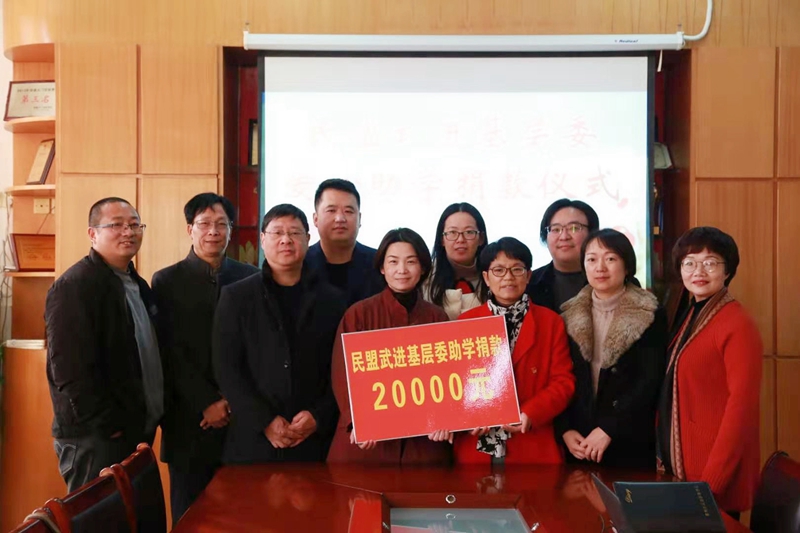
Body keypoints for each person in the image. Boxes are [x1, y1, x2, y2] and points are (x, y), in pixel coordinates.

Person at [151, 193, 258, 524]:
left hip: (240, 421)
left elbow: (255, 350)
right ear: (190, 229)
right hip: (188, 422)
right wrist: (206, 402)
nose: (213, 231)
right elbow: (168, 352)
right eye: (205, 224)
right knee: (190, 518)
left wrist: (231, 400)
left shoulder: (250, 277)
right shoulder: (166, 281)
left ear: (231, 230)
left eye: (221, 224)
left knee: (243, 517)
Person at [45, 197, 164, 492]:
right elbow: (68, 370)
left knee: (132, 513)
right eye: (116, 225)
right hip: (97, 438)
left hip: (136, 430)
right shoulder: (75, 286)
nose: (128, 232)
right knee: (98, 514)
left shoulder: (137, 283)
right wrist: (108, 426)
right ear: (92, 233)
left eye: (135, 225)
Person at [213, 204, 347, 464]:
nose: (286, 240)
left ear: (308, 239)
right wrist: (264, 421)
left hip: (314, 440)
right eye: (277, 233)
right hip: (252, 441)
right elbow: (226, 368)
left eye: (295, 233)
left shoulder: (332, 300)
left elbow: (342, 369)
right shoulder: (236, 297)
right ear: (263, 239)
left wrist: (319, 416)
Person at [657, 227, 762, 517]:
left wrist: (711, 484)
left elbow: (742, 409)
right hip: (686, 467)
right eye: (689, 262)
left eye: (710, 262)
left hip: (712, 476)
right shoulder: (692, 313)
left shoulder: (736, 323)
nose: (698, 271)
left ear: (727, 271)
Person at [328, 228, 452, 465]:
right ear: (382, 267)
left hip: (424, 443)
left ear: (423, 267)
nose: (402, 270)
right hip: (367, 443)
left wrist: (446, 417)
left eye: (411, 262)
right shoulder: (359, 314)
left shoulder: (437, 317)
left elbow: (448, 377)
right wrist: (357, 420)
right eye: (393, 261)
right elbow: (342, 374)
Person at [454, 237, 575, 464]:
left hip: (532, 443)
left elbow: (563, 382)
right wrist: (469, 414)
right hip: (476, 446)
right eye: (499, 270)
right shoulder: (466, 322)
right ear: (486, 278)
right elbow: (453, 383)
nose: (508, 277)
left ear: (528, 276)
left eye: (517, 269)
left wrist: (531, 412)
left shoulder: (550, 322)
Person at [557, 229, 667, 468]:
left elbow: (650, 380)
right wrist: (565, 429)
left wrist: (609, 429)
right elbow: (559, 377)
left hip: (629, 438)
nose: (600, 267)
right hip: (579, 440)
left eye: (610, 258)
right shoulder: (567, 314)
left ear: (627, 266)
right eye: (592, 259)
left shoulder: (651, 313)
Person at [305, 179, 384, 306]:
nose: (340, 218)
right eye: (331, 210)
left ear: (359, 219)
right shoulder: (300, 264)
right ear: (315, 219)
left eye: (348, 211)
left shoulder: (380, 263)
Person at [527, 198, 600, 313]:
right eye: (556, 229)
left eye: (574, 228)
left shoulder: (611, 279)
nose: (564, 236)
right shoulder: (528, 283)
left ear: (592, 234)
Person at [423, 202, 489, 320]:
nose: (460, 239)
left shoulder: (495, 277)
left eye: (469, 232)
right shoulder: (424, 278)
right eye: (452, 232)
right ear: (442, 239)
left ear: (481, 238)